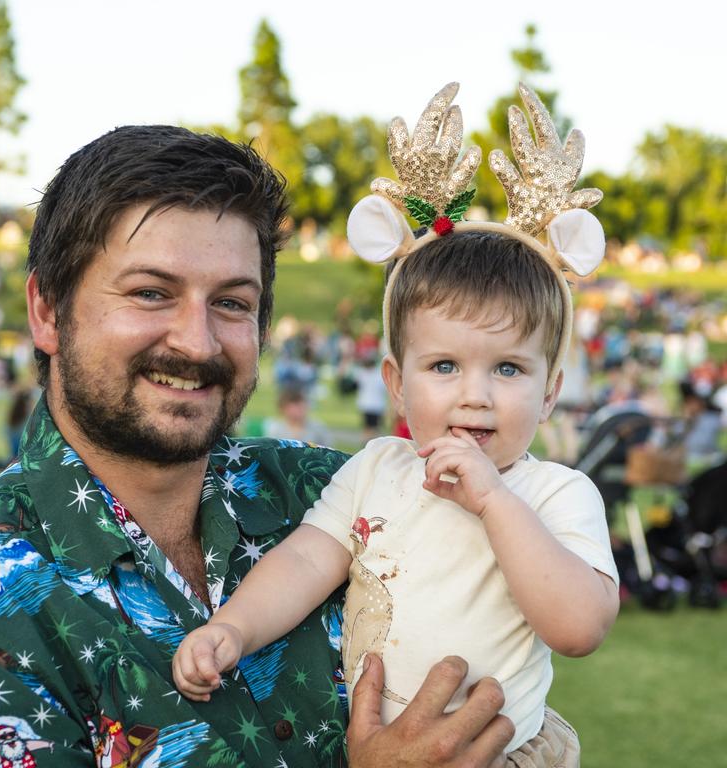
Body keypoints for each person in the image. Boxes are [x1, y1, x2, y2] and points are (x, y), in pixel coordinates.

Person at [0, 125, 513, 768]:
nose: (198, 342)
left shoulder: (332, 493)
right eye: (152, 293)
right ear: (46, 311)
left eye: (232, 303)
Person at [172, 85, 619, 766]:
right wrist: (233, 627)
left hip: (499, 751)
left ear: (550, 392)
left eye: (508, 370)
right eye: (444, 366)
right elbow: (305, 560)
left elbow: (581, 626)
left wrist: (494, 502)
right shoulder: (378, 469)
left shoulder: (554, 494)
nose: (476, 397)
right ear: (395, 384)